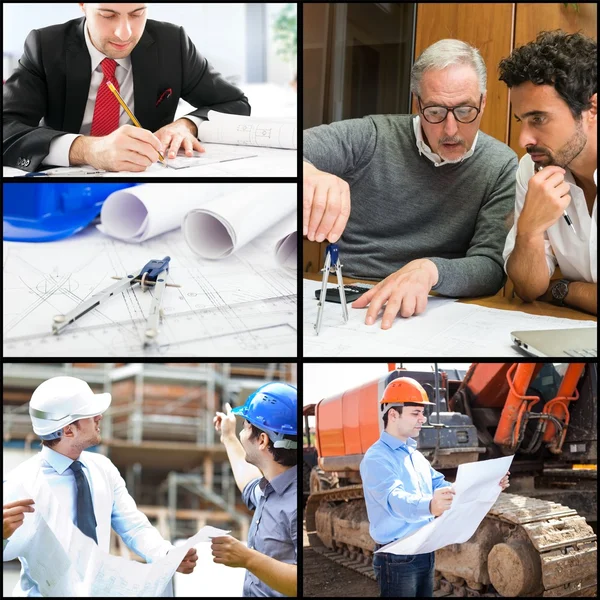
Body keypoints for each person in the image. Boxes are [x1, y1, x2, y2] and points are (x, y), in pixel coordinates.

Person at [303, 39, 518, 329]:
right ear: (417, 103)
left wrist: (431, 270)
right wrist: (307, 172)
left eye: (465, 111)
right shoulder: (371, 136)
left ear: (482, 101)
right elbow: (289, 148)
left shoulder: (501, 164)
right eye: (435, 112)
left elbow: (492, 268)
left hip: (435, 305)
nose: (451, 129)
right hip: (348, 299)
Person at [2, 376, 197, 596]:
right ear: (68, 431)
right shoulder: (21, 484)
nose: (99, 417)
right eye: (89, 415)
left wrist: (167, 554)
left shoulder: (103, 469)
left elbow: (135, 527)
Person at [3, 3, 251, 173]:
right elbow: (6, 126)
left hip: (152, 180)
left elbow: (236, 103)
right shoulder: (46, 46)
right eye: (108, 15)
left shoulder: (172, 43)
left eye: (137, 13)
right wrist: (88, 150)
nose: (124, 33)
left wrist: (186, 125)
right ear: (82, 5)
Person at [360, 377, 509, 597]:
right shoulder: (377, 457)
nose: (423, 419)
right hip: (396, 556)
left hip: (424, 549)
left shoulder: (415, 456)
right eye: (415, 413)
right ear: (393, 414)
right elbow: (395, 499)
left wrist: (487, 485)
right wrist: (430, 505)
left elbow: (441, 484)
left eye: (422, 413)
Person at [498, 30, 597, 315]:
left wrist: (563, 289)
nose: (523, 140)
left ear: (591, 108)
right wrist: (529, 231)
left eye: (538, 119)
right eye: (520, 120)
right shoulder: (533, 167)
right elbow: (529, 289)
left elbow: (545, 291)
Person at [212, 382, 297, 597]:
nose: (242, 433)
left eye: (246, 426)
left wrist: (247, 558)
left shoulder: (295, 503)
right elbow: (248, 483)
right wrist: (228, 436)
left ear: (262, 440)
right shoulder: (271, 489)